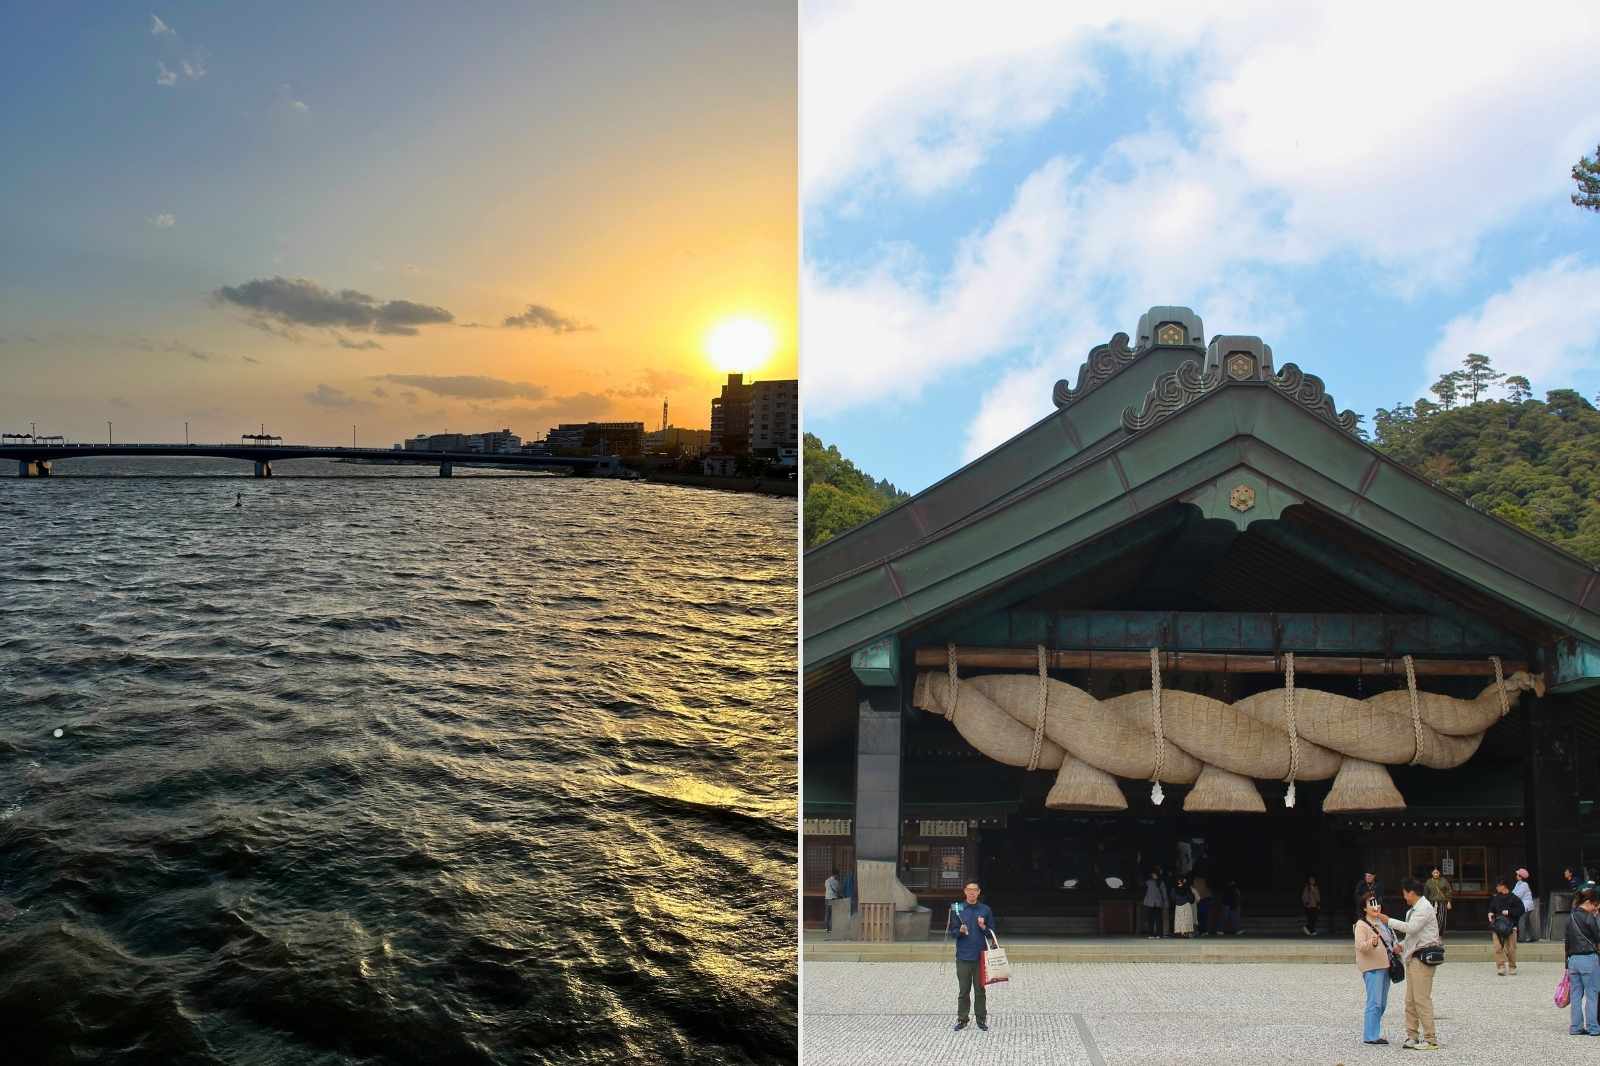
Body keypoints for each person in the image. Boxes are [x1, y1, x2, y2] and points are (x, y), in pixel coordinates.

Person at [1375, 877, 1442, 1051]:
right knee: (1410, 1000)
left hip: (1423, 958)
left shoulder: (1425, 908)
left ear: (1411, 892)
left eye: (1405, 893)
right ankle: (1412, 1035)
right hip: (1413, 957)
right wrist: (1402, 946)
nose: (1404, 896)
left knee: (1421, 999)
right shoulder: (1413, 909)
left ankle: (1430, 1038)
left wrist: (1387, 920)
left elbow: (1411, 928)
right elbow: (1414, 935)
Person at [947, 881, 995, 1032]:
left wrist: (983, 927)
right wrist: (960, 931)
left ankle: (981, 1019)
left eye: (975, 890)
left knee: (980, 990)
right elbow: (952, 933)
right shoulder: (957, 908)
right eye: (969, 890)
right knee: (963, 990)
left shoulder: (985, 909)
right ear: (965, 891)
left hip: (980, 955)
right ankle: (962, 1019)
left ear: (979, 892)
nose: (972, 892)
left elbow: (992, 932)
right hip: (963, 955)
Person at [1354, 892, 1400, 1045]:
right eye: (1371, 904)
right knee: (1374, 1002)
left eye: (1377, 903)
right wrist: (1371, 944)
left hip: (1386, 966)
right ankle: (1370, 1035)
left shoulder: (1383, 922)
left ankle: (1373, 1031)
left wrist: (1397, 947)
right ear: (1364, 908)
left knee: (1382, 1003)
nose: (1376, 906)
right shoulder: (1361, 925)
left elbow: (1392, 940)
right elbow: (1360, 946)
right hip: (1372, 968)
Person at [1565, 886, 1600, 1036]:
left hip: (1573, 960)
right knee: (1592, 994)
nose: (1595, 908)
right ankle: (1593, 1027)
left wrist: (1566, 964)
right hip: (1588, 958)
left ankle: (1575, 1027)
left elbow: (1566, 942)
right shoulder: (1589, 917)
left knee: (1575, 995)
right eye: (1595, 904)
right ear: (1588, 902)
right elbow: (1598, 937)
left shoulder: (1570, 917)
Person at [1488, 876, 1525, 976]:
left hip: (1511, 925)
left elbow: (1521, 910)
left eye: (1498, 886)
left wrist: (1509, 912)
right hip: (1497, 926)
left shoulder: (1514, 898)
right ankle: (1501, 966)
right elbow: (1491, 908)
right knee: (1497, 947)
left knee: (1511, 948)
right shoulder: (1496, 898)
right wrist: (1490, 913)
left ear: (1503, 886)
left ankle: (1512, 966)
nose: (1497, 888)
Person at [1424, 867, 1453, 933]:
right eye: (1434, 873)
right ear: (1432, 873)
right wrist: (1425, 903)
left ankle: (1439, 934)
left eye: (1437, 873)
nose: (1436, 874)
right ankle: (1431, 933)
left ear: (1439, 873)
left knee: (1441, 918)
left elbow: (1449, 891)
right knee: (1431, 918)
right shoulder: (1429, 882)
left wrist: (1449, 901)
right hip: (1431, 902)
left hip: (1442, 902)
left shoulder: (1444, 881)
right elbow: (1426, 893)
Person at [1141, 868, 1167, 939]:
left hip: (1156, 903)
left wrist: (1165, 902)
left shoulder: (1159, 882)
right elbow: (1144, 892)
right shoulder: (1148, 882)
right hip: (1150, 903)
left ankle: (1158, 934)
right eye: (1153, 874)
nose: (1153, 875)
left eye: (1154, 874)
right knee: (1151, 919)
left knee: (1157, 919)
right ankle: (1151, 934)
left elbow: (1164, 893)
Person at [1515, 868, 1539, 942]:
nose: (1516, 875)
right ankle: (1533, 937)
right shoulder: (1518, 884)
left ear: (1520, 876)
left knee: (1521, 921)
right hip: (1525, 906)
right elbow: (1514, 892)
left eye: (1517, 874)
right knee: (1527, 922)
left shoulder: (1524, 885)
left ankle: (1522, 938)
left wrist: (1511, 897)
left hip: (1526, 906)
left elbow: (1518, 895)